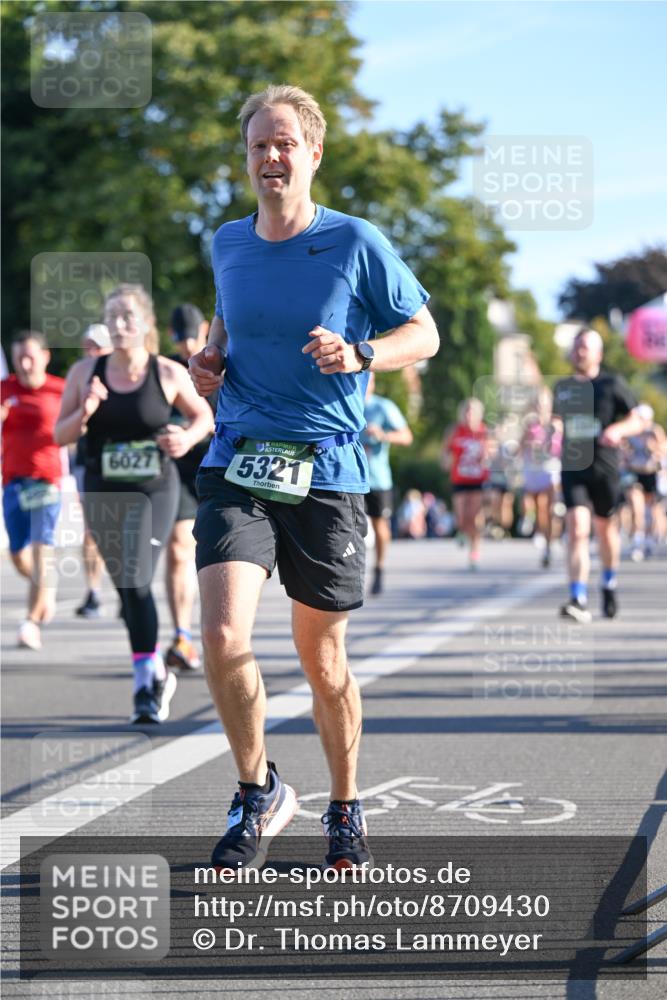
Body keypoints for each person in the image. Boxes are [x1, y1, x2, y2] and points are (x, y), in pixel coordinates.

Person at [187, 84, 439, 872]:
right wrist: (209, 359)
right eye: (258, 144)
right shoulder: (227, 241)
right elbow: (224, 317)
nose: (270, 156)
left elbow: (422, 333)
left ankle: (343, 803)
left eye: (284, 143)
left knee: (322, 663)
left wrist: (363, 353)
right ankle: (255, 788)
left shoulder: (355, 242)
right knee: (223, 636)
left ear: (313, 153)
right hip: (240, 457)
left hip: (328, 468)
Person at [55, 284, 214, 723]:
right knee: (127, 587)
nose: (119, 324)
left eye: (127, 316)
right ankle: (155, 669)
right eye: (112, 317)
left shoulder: (165, 373)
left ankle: (145, 683)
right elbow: (61, 435)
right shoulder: (85, 373)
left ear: (144, 323)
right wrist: (85, 411)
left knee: (137, 574)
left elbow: (205, 415)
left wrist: (186, 436)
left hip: (154, 489)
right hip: (104, 489)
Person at [552, 327, 645, 622]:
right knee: (577, 528)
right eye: (576, 346)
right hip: (573, 466)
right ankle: (577, 597)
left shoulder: (612, 383)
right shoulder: (563, 387)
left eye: (585, 347)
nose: (579, 351)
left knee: (606, 530)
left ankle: (608, 582)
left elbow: (638, 419)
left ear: (598, 354)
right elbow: (555, 420)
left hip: (604, 467)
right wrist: (552, 429)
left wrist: (618, 429)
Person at [1, 330, 65, 650]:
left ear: (44, 357)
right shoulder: (4, 389)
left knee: (42, 551)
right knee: (17, 553)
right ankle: (46, 587)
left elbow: (75, 428)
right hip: (12, 482)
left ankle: (31, 623)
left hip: (47, 482)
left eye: (30, 356)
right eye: (18, 358)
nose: (25, 363)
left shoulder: (60, 389)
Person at [164, 303, 214, 671]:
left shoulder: (226, 362)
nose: (187, 348)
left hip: (221, 470)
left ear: (207, 329)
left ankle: (222, 632)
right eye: (181, 341)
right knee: (180, 549)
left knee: (219, 559)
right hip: (178, 473)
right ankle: (182, 635)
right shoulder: (165, 370)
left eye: (193, 338)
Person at [72, 324, 112, 618]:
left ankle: (130, 592)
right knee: (91, 531)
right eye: (88, 345)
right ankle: (94, 592)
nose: (92, 351)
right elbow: (68, 426)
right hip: (90, 463)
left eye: (97, 345)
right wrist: (85, 408)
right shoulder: (80, 375)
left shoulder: (128, 375)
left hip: (129, 466)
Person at [361, 372, 413, 594]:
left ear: (372, 382)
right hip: (348, 478)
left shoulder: (383, 407)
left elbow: (406, 436)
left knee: (379, 526)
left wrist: (383, 435)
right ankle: (349, 572)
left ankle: (379, 568)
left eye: (367, 380)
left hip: (378, 479)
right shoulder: (343, 405)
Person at [441, 398, 489, 569]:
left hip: (478, 479)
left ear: (478, 414)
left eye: (473, 412)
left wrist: (488, 458)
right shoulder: (455, 431)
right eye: (467, 411)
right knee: (461, 517)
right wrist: (445, 460)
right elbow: (446, 450)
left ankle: (474, 553)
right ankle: (461, 531)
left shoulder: (485, 432)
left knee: (474, 518)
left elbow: (492, 453)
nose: (469, 415)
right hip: (460, 478)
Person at [519, 388, 562, 568]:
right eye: (537, 403)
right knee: (539, 508)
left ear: (549, 405)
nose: (540, 407)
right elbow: (520, 447)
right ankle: (544, 540)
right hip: (533, 468)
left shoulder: (557, 422)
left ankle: (550, 542)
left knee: (550, 507)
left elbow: (564, 444)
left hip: (551, 468)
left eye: (543, 403)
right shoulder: (530, 425)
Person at [622, 404, 666, 561]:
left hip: (651, 473)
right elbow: (622, 450)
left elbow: (663, 451)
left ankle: (648, 539)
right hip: (634, 474)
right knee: (636, 508)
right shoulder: (630, 431)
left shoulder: (655, 431)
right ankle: (637, 542)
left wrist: (653, 447)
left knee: (652, 511)